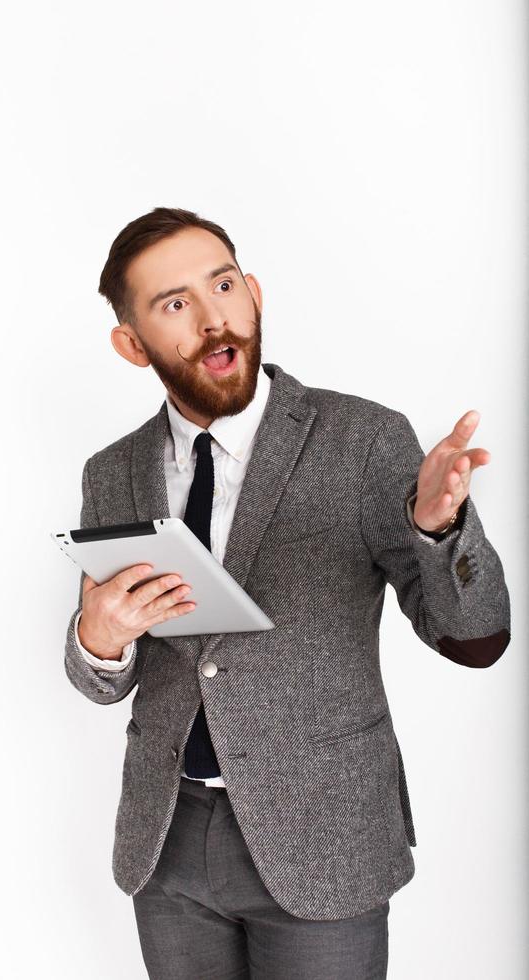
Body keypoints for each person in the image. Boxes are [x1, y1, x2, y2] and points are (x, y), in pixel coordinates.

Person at [62, 206, 511, 979]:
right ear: (132, 345)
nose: (213, 319)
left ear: (255, 294)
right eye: (176, 304)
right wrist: (96, 640)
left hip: (324, 836)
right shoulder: (113, 472)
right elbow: (107, 680)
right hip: (166, 844)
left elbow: (474, 638)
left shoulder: (363, 439)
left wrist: (442, 530)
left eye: (224, 285)